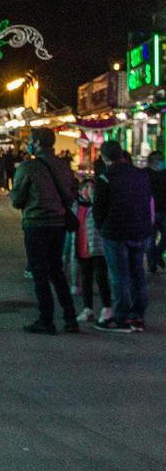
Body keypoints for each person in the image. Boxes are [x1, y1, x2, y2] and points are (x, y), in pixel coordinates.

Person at [11, 128, 78, 334]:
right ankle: (70, 318)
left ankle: (46, 319)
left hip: (36, 223)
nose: (28, 144)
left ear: (38, 143)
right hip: (59, 223)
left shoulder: (29, 167)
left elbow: (17, 199)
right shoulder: (64, 166)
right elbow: (72, 194)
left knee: (40, 273)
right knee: (57, 271)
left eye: (30, 141)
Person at [92, 140, 152, 332]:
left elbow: (98, 209)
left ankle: (122, 318)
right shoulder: (141, 174)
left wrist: (103, 227)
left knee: (120, 277)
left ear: (104, 158)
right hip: (140, 231)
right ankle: (138, 316)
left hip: (116, 233)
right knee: (138, 274)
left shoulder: (105, 178)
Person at [73, 171, 111, 325]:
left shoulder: (98, 206)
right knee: (86, 279)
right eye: (85, 187)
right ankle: (87, 308)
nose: (88, 191)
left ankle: (107, 307)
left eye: (91, 188)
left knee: (101, 279)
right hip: (81, 247)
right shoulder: (76, 206)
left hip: (97, 248)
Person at [146, 151, 166, 274]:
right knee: (150, 240)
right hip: (150, 211)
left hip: (164, 210)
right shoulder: (145, 174)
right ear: (154, 161)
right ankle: (152, 265)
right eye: (160, 159)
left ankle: (157, 255)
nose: (162, 162)